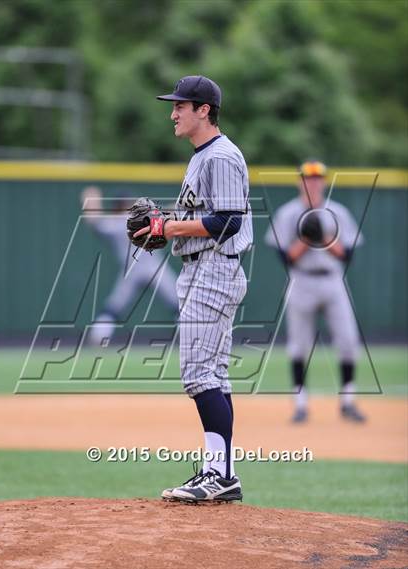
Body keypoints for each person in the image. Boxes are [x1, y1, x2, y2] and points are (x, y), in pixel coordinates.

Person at [134, 75, 253, 502]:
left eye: (181, 106)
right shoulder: (204, 156)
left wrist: (168, 226)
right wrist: (165, 227)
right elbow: (205, 218)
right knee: (214, 375)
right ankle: (221, 473)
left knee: (199, 375)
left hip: (213, 270)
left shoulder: (220, 156)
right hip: (202, 268)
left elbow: (228, 221)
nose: (173, 113)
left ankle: (218, 475)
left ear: (204, 110)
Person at [265, 160, 366, 423]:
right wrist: (306, 239)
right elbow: (288, 259)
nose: (313, 183)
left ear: (323, 182)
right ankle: (300, 403)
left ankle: (348, 400)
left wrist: (323, 238)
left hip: (332, 280)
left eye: (317, 178)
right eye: (308, 178)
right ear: (300, 182)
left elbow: (346, 255)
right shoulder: (288, 214)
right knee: (299, 345)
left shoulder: (338, 212)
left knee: (348, 340)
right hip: (301, 281)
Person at [80, 186, 178, 344]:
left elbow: (94, 221)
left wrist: (91, 200)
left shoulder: (112, 224)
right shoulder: (140, 218)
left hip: (132, 270)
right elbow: (170, 214)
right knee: (179, 304)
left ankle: (98, 337)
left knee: (113, 309)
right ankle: (193, 336)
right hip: (154, 268)